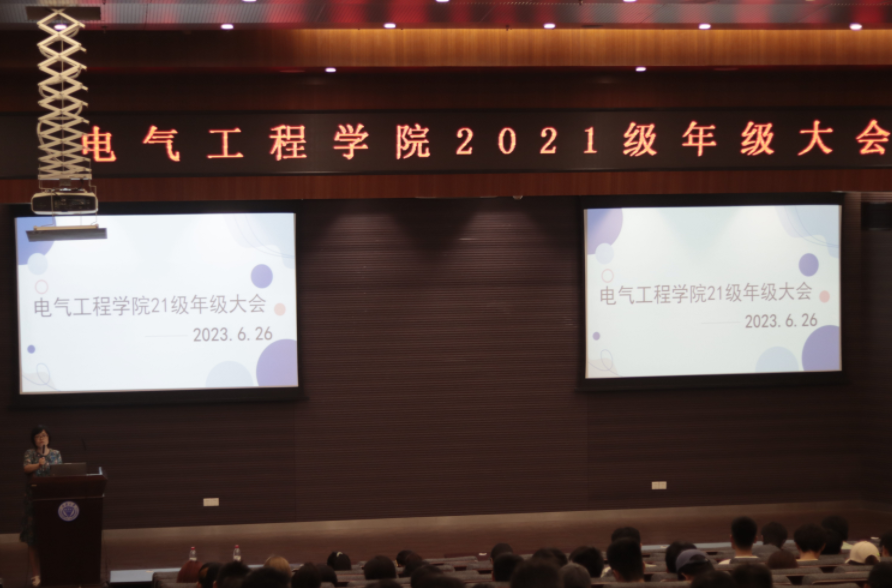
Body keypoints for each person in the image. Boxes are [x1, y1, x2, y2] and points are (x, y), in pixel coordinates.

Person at [21, 425, 62, 587]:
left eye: (44, 435)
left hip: (52, 499)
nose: (41, 438)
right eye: (38, 436)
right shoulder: (30, 453)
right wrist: (39, 464)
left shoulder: (56, 453)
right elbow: (26, 468)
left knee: (52, 537)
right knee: (33, 539)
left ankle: (52, 571)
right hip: (33, 500)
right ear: (34, 439)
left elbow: (60, 471)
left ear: (49, 438)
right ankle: (35, 575)